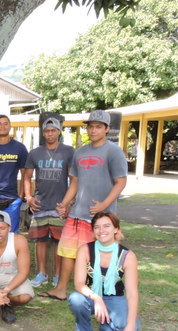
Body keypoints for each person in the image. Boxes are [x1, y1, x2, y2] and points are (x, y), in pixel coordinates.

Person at [42, 110, 128, 301]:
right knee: (68, 252)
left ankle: (99, 291)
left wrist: (104, 205)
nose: (93, 130)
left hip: (101, 216)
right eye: (90, 126)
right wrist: (64, 204)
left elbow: (120, 182)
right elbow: (75, 182)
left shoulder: (114, 152)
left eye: (98, 127)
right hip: (77, 213)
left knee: (98, 254)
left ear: (107, 129)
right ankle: (61, 289)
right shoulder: (80, 152)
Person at [69, 211, 139, 331]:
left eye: (107, 226)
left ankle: (107, 329)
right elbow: (79, 284)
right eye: (97, 227)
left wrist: (130, 326)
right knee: (76, 299)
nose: (101, 231)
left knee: (128, 326)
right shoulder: (85, 250)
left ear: (116, 229)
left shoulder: (127, 256)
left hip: (115, 296)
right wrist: (97, 299)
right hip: (90, 295)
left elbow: (132, 293)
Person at [22, 118, 75, 289]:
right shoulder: (35, 153)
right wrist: (29, 197)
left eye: (53, 130)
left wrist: (69, 203)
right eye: (47, 131)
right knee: (40, 241)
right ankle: (42, 274)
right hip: (40, 205)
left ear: (59, 132)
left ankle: (58, 275)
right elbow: (26, 177)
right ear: (43, 133)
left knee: (60, 242)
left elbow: (74, 180)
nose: (50, 134)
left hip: (60, 206)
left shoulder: (69, 152)